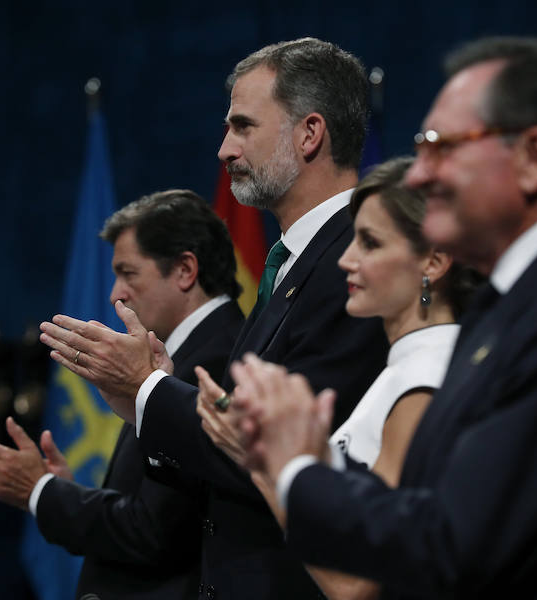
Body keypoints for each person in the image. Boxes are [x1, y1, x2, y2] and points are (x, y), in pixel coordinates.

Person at [228, 35, 537, 598]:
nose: (420, 175)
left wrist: (299, 470)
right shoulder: (516, 300)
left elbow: (454, 542)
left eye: (443, 146)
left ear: (534, 159)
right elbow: (429, 499)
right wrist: (308, 448)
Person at [40, 38, 389, 598]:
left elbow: (282, 454)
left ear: (309, 134)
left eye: (243, 126)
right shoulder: (295, 264)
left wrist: (151, 390)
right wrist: (148, 399)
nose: (225, 150)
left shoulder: (351, 263)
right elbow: (229, 456)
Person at [196, 157, 480, 599]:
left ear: (434, 260)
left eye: (369, 243)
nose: (346, 259)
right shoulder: (414, 369)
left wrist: (276, 466)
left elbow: (357, 582)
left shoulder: (421, 382)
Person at [0, 189, 245, 599]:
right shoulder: (186, 351)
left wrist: (42, 492)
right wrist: (67, 492)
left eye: (129, 273)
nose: (114, 294)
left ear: (184, 270)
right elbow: (157, 508)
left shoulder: (215, 361)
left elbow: (153, 535)